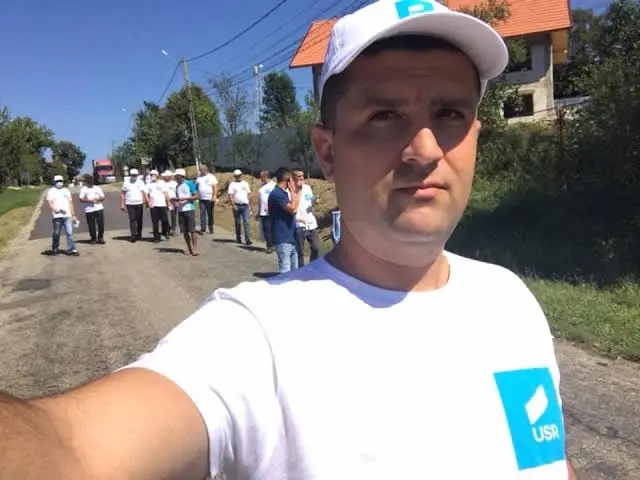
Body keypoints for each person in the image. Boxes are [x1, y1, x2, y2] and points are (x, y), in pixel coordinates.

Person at [0, 2, 577, 479]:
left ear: (475, 135)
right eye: (384, 116)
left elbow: (549, 463)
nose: (424, 149)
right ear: (327, 150)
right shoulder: (257, 337)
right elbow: (71, 449)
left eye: (450, 113)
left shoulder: (510, 300)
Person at [268, 167, 300, 273]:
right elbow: (293, 209)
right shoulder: (276, 194)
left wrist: (295, 191)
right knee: (285, 270)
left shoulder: (283, 193)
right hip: (282, 237)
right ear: (288, 180)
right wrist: (293, 191)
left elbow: (293, 209)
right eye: (291, 179)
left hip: (291, 236)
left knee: (295, 270)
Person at [292, 168, 320, 266]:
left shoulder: (307, 188)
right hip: (298, 224)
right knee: (300, 251)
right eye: (298, 176)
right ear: (293, 178)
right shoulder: (290, 190)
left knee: (316, 248)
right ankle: (301, 270)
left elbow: (311, 201)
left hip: (311, 223)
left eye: (302, 176)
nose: (301, 178)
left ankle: (312, 267)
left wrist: (315, 201)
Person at [46, 174, 79, 256]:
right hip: (57, 216)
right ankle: (55, 249)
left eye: (60, 181)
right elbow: (50, 202)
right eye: (57, 181)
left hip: (67, 215)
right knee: (56, 233)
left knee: (69, 233)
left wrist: (73, 215)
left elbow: (70, 203)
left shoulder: (66, 191)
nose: (59, 182)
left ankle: (72, 249)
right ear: (54, 182)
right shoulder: (51, 191)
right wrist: (54, 209)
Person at [173, 168, 199, 256]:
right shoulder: (177, 186)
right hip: (181, 210)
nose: (176, 178)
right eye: (175, 177)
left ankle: (195, 249)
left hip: (189, 209)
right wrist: (176, 201)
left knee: (192, 230)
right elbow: (178, 197)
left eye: (177, 177)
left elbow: (196, 196)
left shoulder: (189, 183)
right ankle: (189, 248)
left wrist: (185, 198)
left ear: (181, 176)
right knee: (184, 231)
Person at [120, 168, 147, 242]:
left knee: (139, 219)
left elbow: (144, 192)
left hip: (139, 203)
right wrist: (122, 204)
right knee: (132, 219)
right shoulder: (126, 182)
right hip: (129, 203)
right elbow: (123, 193)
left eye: (135, 175)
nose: (134, 177)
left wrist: (146, 202)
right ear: (130, 175)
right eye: (133, 175)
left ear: (137, 175)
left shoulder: (140, 182)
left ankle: (139, 233)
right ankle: (133, 235)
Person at [78, 174, 106, 245]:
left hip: (99, 208)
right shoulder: (84, 189)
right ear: (87, 182)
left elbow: (103, 197)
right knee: (91, 225)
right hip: (89, 210)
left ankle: (100, 238)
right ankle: (93, 238)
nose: (91, 182)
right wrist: (88, 200)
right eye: (89, 181)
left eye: (92, 181)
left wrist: (98, 199)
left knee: (101, 224)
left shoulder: (97, 188)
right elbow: (81, 199)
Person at [227, 168, 252, 245]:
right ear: (235, 176)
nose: (239, 177)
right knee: (237, 222)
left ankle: (247, 239)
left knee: (246, 222)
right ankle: (238, 237)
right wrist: (233, 205)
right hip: (236, 205)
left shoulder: (245, 183)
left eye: (240, 175)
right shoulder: (232, 184)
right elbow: (230, 195)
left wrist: (249, 205)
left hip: (245, 205)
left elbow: (249, 194)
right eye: (237, 176)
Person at [146, 170, 171, 242]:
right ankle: (156, 237)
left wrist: (168, 202)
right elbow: (146, 194)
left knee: (164, 220)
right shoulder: (148, 184)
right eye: (151, 175)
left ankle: (165, 233)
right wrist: (148, 202)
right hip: (153, 205)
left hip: (162, 204)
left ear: (157, 175)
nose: (152, 176)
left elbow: (166, 193)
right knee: (155, 221)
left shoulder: (162, 183)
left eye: (153, 174)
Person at [256, 169, 276, 253]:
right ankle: (270, 245)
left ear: (265, 177)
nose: (260, 179)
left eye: (261, 177)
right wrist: (258, 212)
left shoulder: (274, 186)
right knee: (266, 230)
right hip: (263, 212)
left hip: (272, 212)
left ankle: (271, 245)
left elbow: (276, 198)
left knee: (270, 229)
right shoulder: (261, 187)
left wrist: (271, 206)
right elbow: (260, 200)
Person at [196, 164, 218, 234]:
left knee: (210, 214)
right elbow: (197, 186)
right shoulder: (199, 177)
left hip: (209, 199)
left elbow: (215, 187)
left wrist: (214, 196)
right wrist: (197, 195)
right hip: (201, 199)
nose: (200, 171)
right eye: (200, 170)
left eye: (201, 170)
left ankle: (211, 228)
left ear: (205, 169)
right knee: (202, 213)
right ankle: (203, 229)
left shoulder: (211, 177)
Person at [162, 170, 178, 235]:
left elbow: (177, 192)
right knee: (165, 216)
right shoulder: (162, 183)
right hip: (164, 201)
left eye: (165, 176)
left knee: (173, 216)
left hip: (173, 200)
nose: (164, 177)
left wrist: (177, 201)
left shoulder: (175, 183)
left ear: (169, 176)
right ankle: (167, 228)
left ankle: (173, 230)